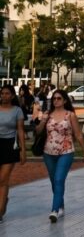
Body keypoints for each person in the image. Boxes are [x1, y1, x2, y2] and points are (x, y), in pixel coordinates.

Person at [36, 89, 84, 222]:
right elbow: (37, 131)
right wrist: (43, 120)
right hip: (48, 152)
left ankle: (54, 210)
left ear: (65, 100)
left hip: (66, 152)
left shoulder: (70, 115)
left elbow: (78, 134)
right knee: (54, 181)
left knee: (59, 179)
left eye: (59, 98)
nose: (56, 101)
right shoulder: (48, 114)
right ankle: (60, 204)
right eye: (54, 99)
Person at [0, 85, 26, 222]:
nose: (4, 96)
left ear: (12, 96)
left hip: (10, 145)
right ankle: (3, 200)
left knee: (3, 179)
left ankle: (0, 210)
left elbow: (20, 130)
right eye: (2, 93)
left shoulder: (17, 111)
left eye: (7, 93)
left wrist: (23, 150)